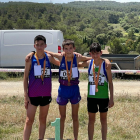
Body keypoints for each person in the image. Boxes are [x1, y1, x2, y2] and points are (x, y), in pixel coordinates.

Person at [23, 35, 59, 140]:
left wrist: (74, 56)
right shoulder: (30, 59)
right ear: (34, 46)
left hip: (46, 94)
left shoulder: (49, 57)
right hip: (33, 94)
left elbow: (62, 63)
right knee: (29, 120)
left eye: (41, 44)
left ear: (45, 45)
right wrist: (26, 96)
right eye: (37, 45)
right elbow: (25, 78)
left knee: (43, 119)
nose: (39, 47)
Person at [78, 42, 114, 140]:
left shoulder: (106, 65)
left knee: (103, 120)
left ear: (101, 53)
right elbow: (76, 63)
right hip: (92, 96)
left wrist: (111, 98)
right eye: (93, 53)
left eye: (97, 53)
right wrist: (78, 55)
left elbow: (110, 83)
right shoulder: (90, 63)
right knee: (91, 120)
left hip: (103, 97)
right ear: (90, 54)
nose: (95, 55)